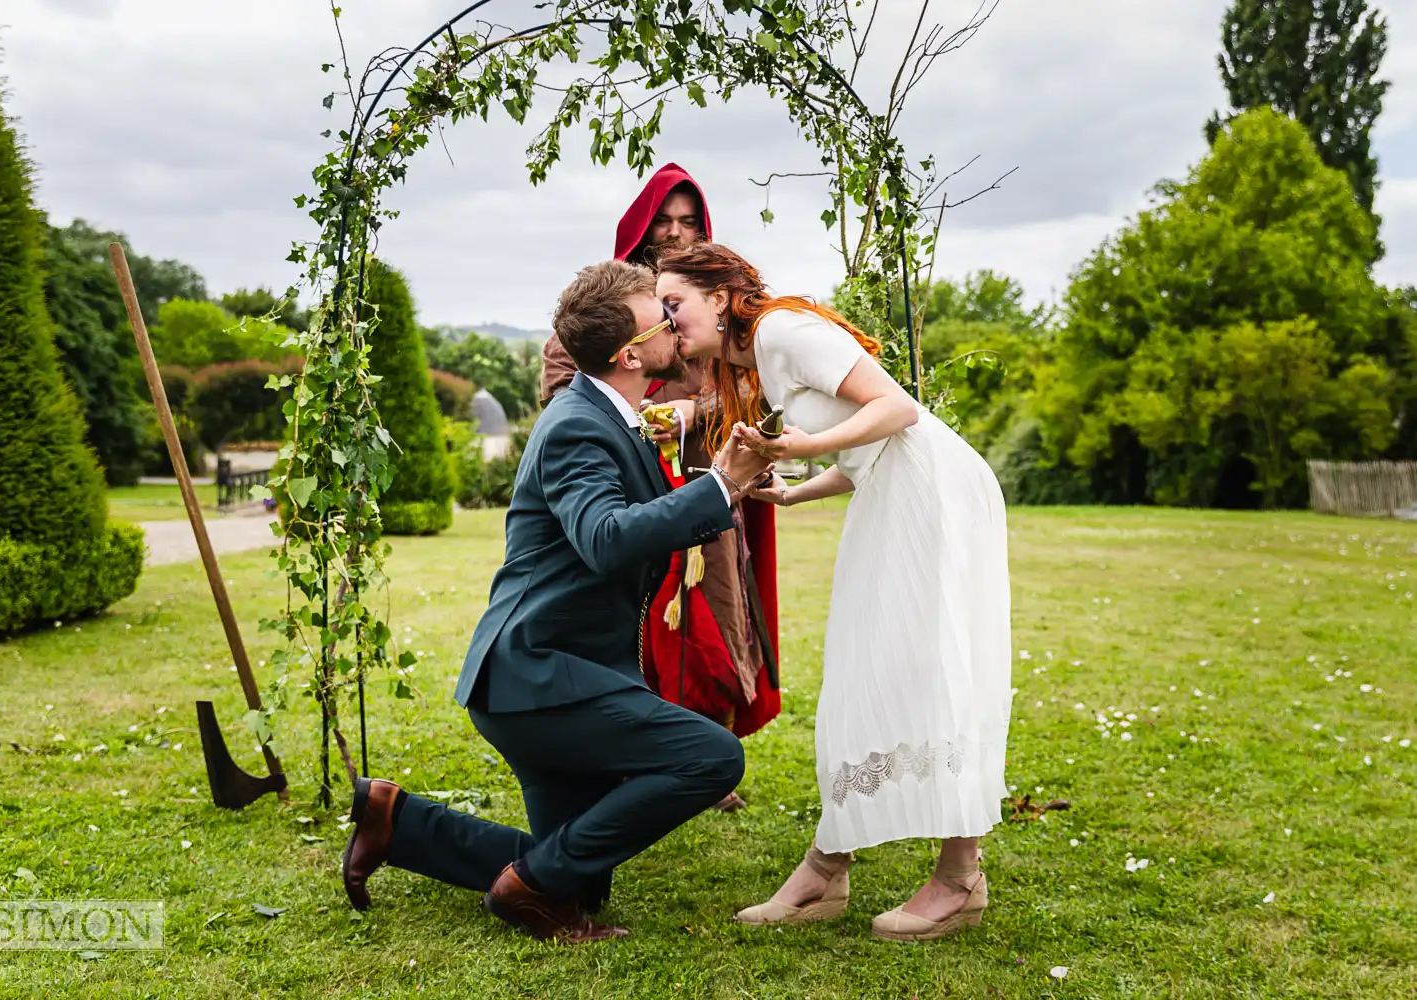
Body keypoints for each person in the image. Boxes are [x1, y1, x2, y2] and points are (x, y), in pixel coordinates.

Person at [340, 260, 773, 944]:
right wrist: (718, 487)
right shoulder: (577, 425)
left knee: (582, 878)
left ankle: (399, 822)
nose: (674, 318)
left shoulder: (609, 413)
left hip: (558, 672)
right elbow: (605, 539)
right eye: (662, 311)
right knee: (712, 757)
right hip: (537, 678)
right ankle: (528, 893)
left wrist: (727, 486)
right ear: (631, 353)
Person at [655, 243, 1012, 943]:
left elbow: (898, 411)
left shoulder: (784, 330)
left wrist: (802, 451)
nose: (669, 322)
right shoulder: (753, 362)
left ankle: (957, 876)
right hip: (893, 491)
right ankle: (829, 866)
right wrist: (795, 492)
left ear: (720, 297)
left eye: (675, 305)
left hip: (934, 495)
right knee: (865, 671)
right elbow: (860, 451)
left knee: (924, 666)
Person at [541, 163, 781, 811]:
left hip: (705, 492)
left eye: (688, 221)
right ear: (642, 228)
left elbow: (744, 391)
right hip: (627, 500)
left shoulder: (713, 312)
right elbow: (569, 392)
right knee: (628, 628)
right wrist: (648, 414)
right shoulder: (606, 311)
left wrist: (695, 414)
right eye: (663, 221)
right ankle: (634, 756)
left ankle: (699, 752)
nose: (675, 234)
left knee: (715, 623)